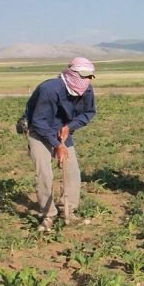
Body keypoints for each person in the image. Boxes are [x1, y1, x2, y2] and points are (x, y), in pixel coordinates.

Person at [25, 57, 97, 232]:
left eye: (90, 77)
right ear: (72, 74)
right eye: (84, 76)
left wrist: (69, 127)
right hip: (38, 130)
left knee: (72, 172)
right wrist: (57, 145)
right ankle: (48, 216)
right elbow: (39, 121)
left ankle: (68, 211)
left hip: (61, 130)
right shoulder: (49, 89)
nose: (87, 80)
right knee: (44, 173)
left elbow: (89, 112)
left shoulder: (86, 89)